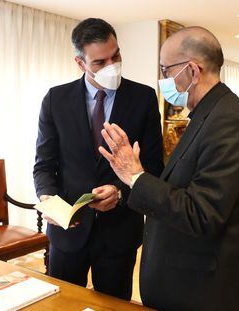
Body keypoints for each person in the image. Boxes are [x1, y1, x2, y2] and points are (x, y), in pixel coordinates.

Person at [99, 26, 239, 310]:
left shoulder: (227, 122)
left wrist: (135, 176)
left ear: (192, 71)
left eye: (166, 70)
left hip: (212, 290)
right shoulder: (210, 114)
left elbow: (202, 214)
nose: (163, 80)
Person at [33, 18, 164, 300]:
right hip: (69, 231)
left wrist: (120, 190)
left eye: (115, 55)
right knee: (63, 305)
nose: (111, 66)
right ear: (80, 63)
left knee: (115, 305)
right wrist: (48, 201)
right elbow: (44, 165)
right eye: (99, 62)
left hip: (119, 232)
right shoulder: (55, 100)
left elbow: (154, 167)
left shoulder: (144, 99)